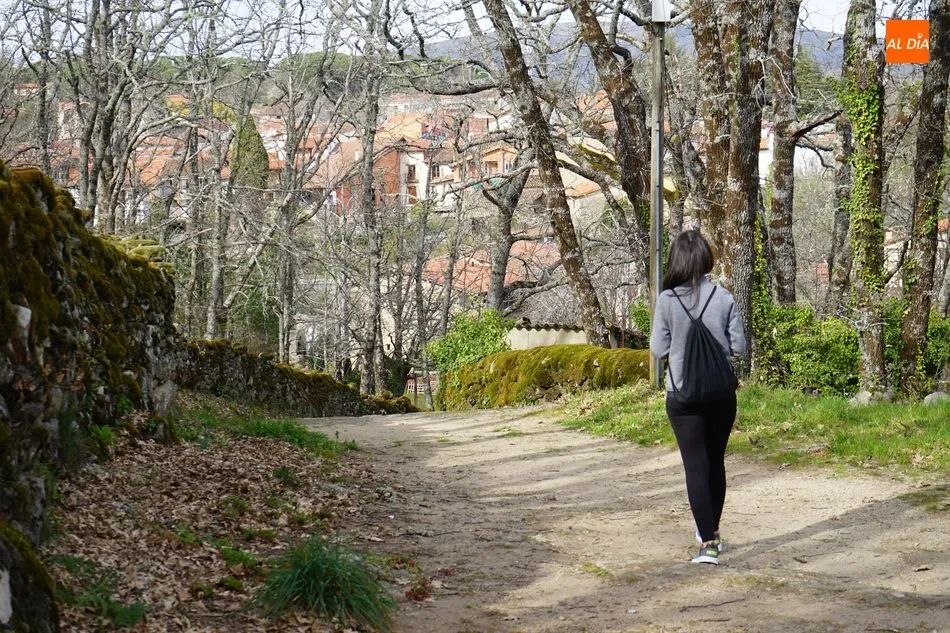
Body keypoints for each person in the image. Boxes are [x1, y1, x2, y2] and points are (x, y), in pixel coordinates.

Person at [649, 230, 746, 565]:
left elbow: (658, 349)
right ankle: (712, 531)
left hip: (682, 394)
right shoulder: (724, 297)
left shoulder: (667, 300)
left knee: (695, 466)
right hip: (721, 393)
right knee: (715, 462)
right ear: (706, 258)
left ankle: (707, 543)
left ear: (676, 260)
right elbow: (740, 348)